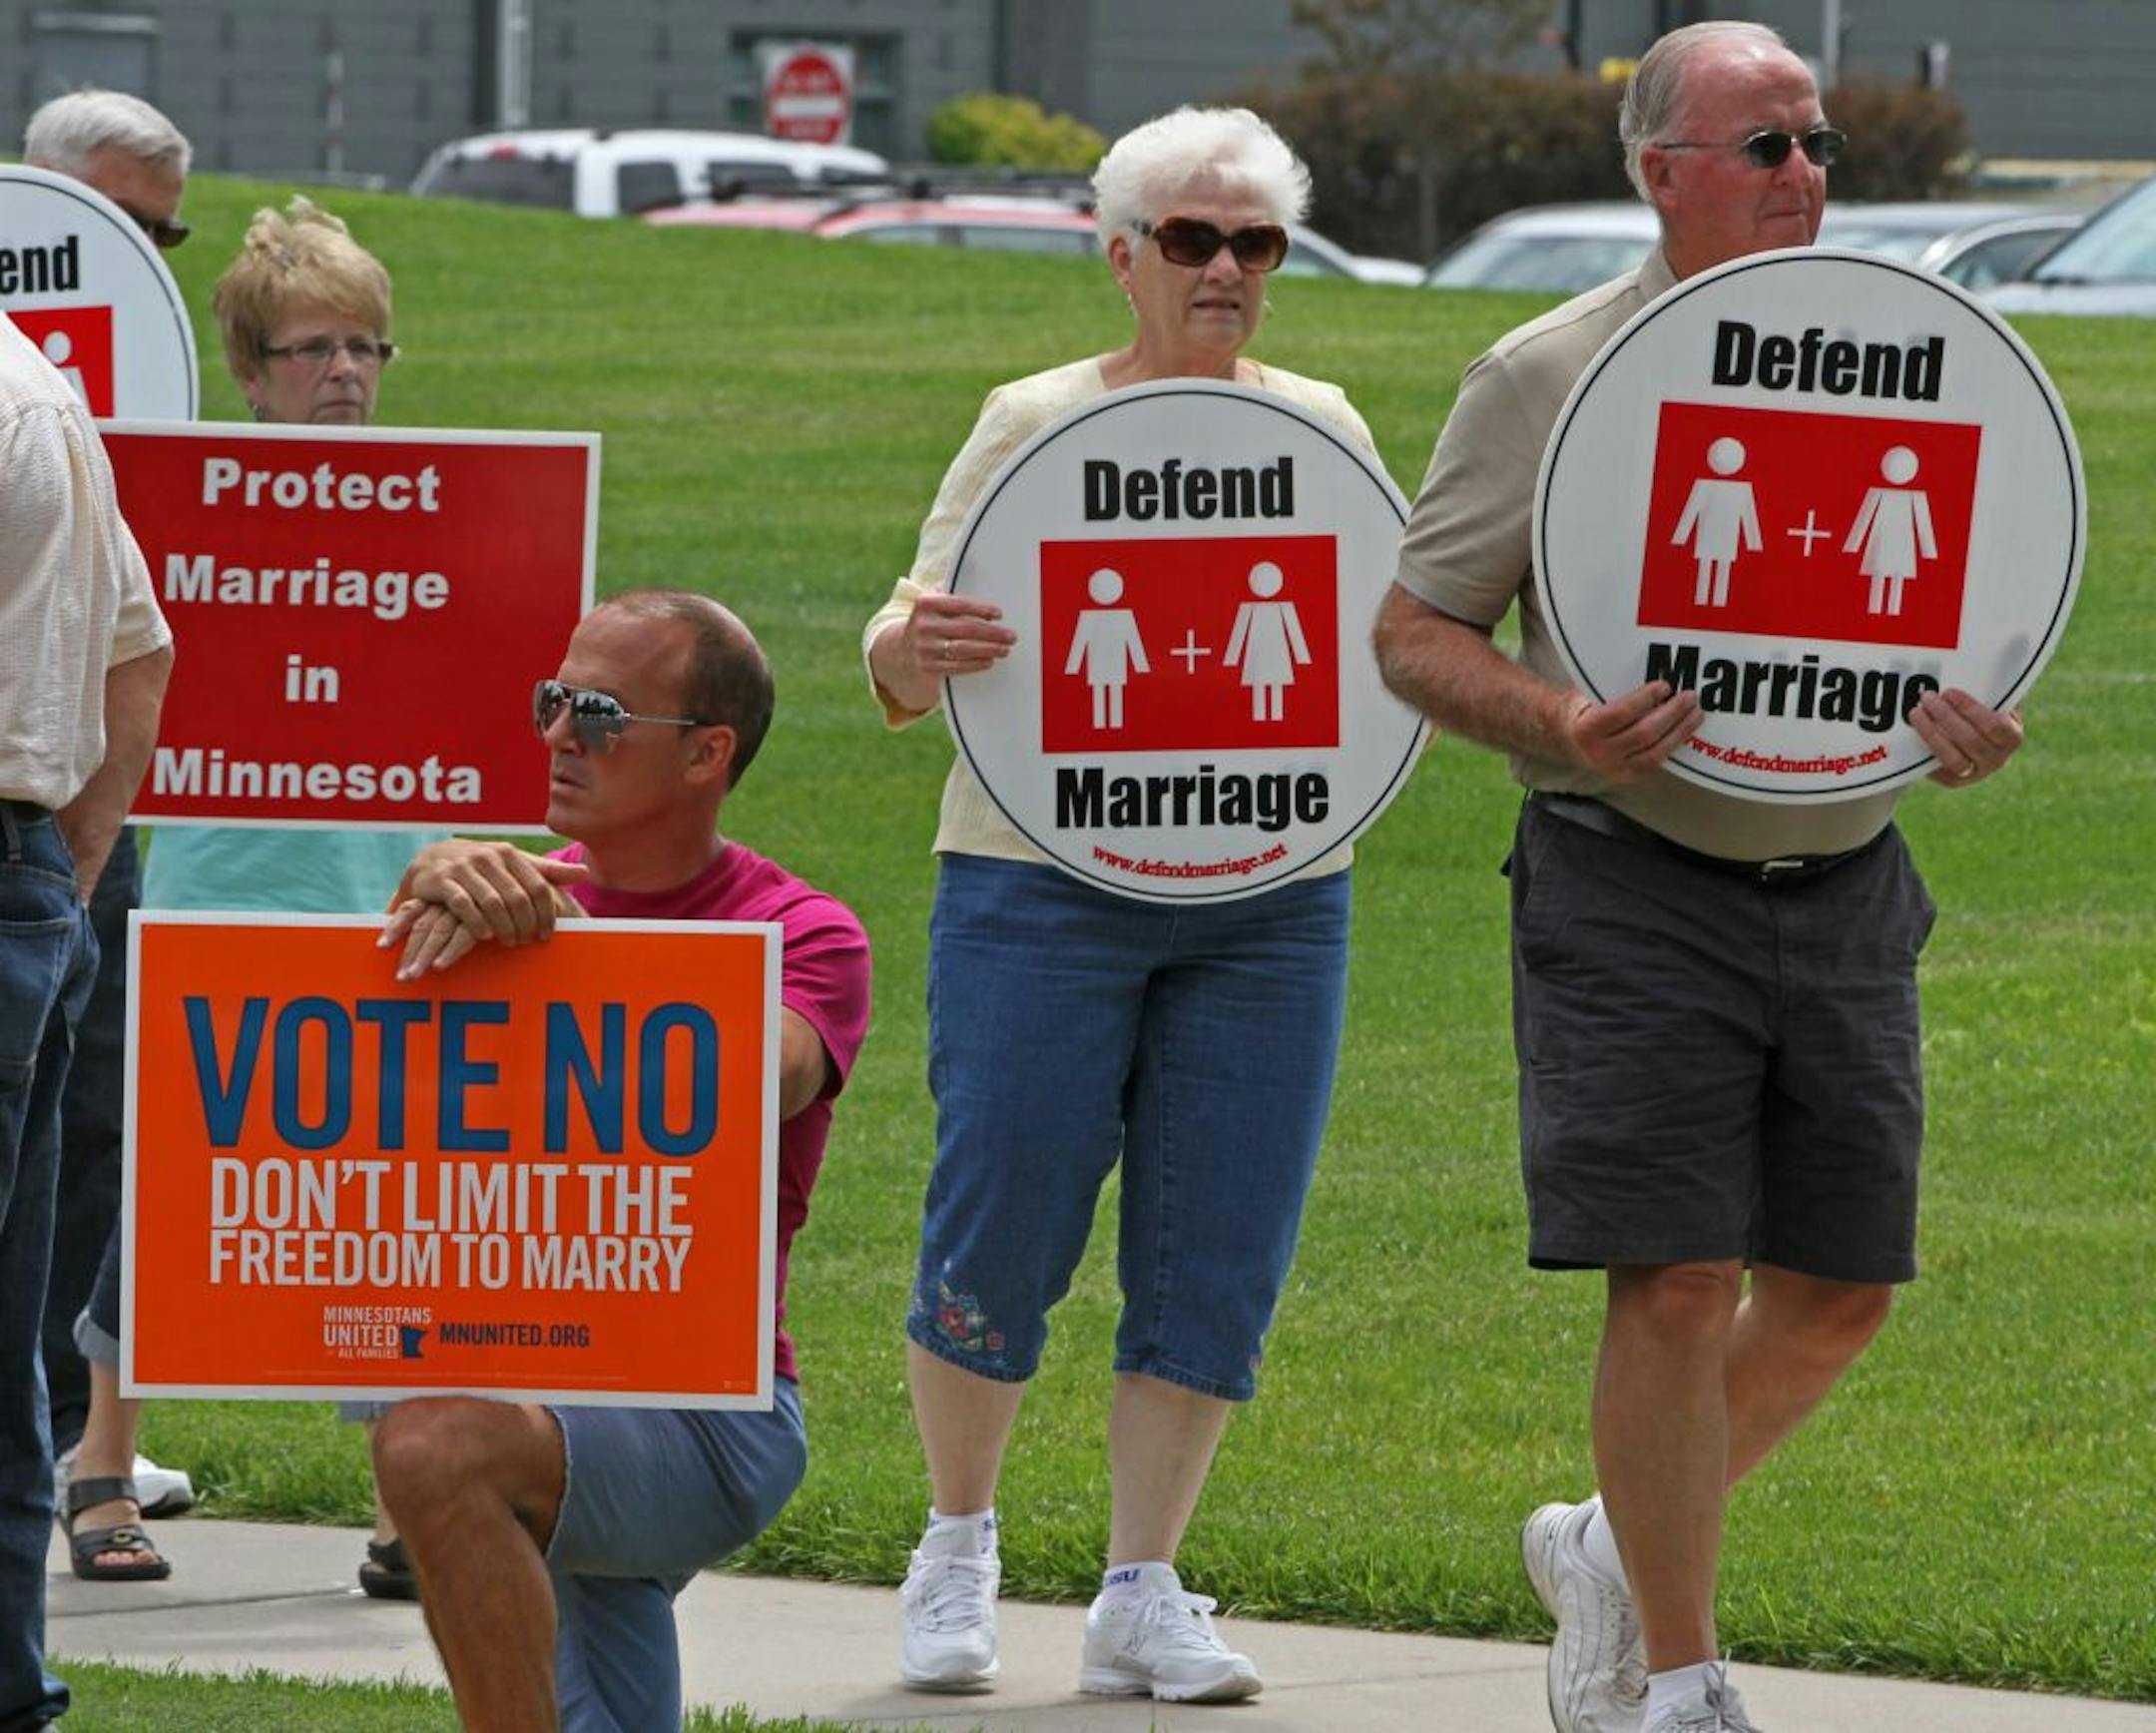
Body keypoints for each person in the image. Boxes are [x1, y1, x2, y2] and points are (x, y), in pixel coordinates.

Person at [1371, 23, 2026, 1733]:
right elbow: (1413, 630)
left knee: (1836, 1295)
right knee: (1672, 1277)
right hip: (1629, 874)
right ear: (1660, 172)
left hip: (1850, 875)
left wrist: (1962, 729)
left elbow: (1960, 610)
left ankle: (1605, 1539)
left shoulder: (1918, 362)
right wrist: (1563, 720)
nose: (1806, 174)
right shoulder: (1545, 374)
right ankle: (1677, 1670)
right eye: (1765, 146)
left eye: (1816, 145)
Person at [864, 106, 1375, 1704]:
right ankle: (955, 1550)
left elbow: (1385, 626)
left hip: (1273, 893)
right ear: (1122, 257)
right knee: (1003, 1209)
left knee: (1218, 1242)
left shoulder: (1321, 419)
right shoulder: (1031, 418)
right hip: (1035, 882)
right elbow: (904, 638)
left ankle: (1143, 1589)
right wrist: (912, 650)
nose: (1224, 270)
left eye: (1255, 244)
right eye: (1191, 240)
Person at [369, 591, 871, 1733]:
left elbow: (760, 1077)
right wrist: (423, 887)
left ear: (707, 753)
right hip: (542, 1359)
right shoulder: (501, 910)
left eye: (599, 713)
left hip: (712, 1409)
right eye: (554, 702)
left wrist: (566, 958)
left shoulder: (804, 930)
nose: (557, 737)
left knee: (437, 1444)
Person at [60, 198, 449, 1588]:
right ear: (249, 366)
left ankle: (417, 1496)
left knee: (392, 1198)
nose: (344, 372)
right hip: (221, 887)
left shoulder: (437, 517)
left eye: (367, 347)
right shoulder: (180, 509)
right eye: (312, 348)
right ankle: (100, 1464)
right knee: (175, 1184)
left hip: (387, 894)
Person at [19, 86, 196, 1531]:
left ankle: (70, 1431)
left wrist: (76, 858)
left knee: (89, 1123)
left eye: (163, 234)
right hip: (53, 816)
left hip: (75, 814)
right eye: (119, 222)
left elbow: (146, 643)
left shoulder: (126, 386)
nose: (142, 257)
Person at [0, 308, 173, 1731]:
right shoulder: (35, 386)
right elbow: (140, 657)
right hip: (27, 883)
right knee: (10, 1353)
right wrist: (64, 880)